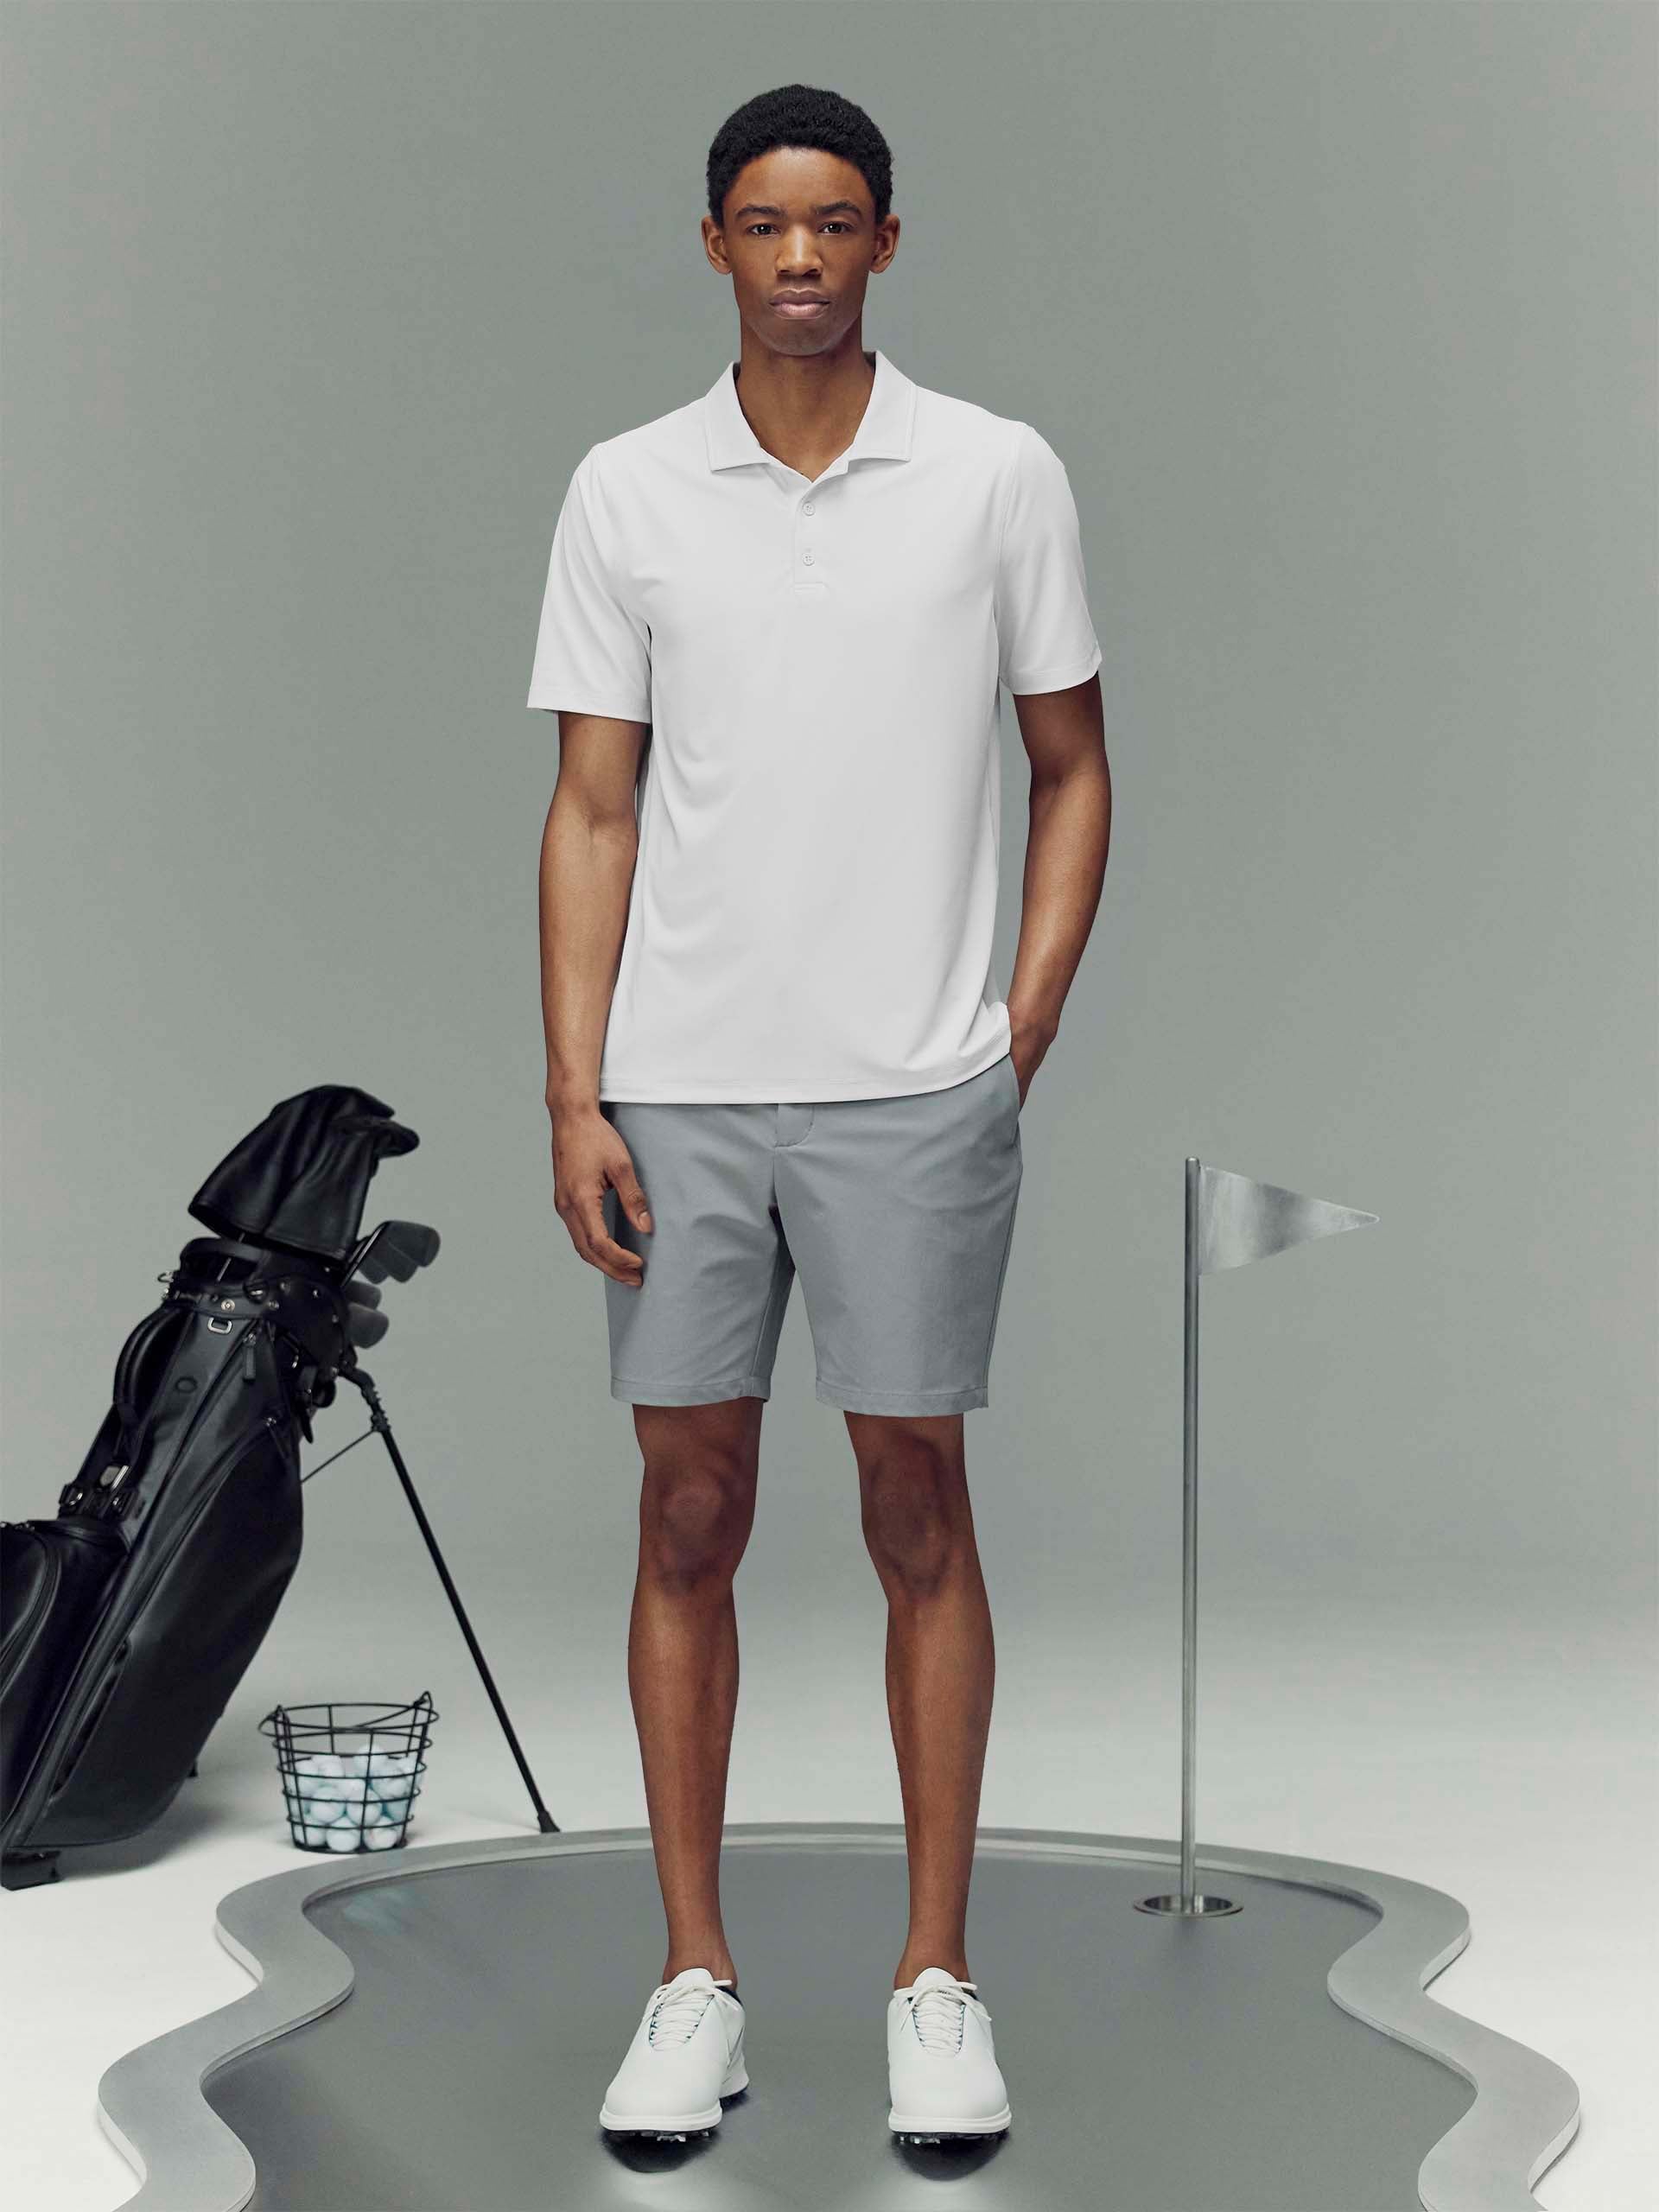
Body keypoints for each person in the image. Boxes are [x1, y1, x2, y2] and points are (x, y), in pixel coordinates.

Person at [527, 81, 1110, 2145]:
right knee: (687, 1512)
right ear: (715, 244)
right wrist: (575, 1088)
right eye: (766, 224)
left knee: (916, 1504)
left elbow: (1074, 766)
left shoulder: (995, 473)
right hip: (680, 1085)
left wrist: (1012, 1028)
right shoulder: (626, 489)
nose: (800, 256)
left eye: (836, 222)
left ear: (885, 241)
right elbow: (592, 806)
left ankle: (936, 1978)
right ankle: (694, 1979)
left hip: (912, 1089)